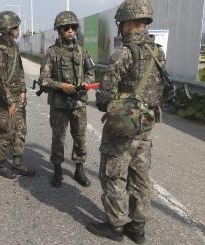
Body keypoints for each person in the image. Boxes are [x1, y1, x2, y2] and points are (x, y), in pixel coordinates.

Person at [86, 0, 167, 243]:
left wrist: (108, 107)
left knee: (113, 174)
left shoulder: (124, 53)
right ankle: (138, 228)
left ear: (130, 23)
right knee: (140, 176)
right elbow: (157, 89)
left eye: (121, 23)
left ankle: (116, 226)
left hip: (122, 127)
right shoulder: (157, 52)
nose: (120, 27)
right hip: (146, 123)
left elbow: (106, 93)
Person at [39, 11, 95, 188]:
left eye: (73, 27)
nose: (70, 30)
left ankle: (79, 170)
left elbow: (90, 73)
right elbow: (43, 80)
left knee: (80, 137)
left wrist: (86, 83)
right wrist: (61, 86)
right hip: (59, 105)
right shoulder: (52, 53)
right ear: (59, 30)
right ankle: (57, 170)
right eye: (66, 28)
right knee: (58, 138)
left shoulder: (82, 51)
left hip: (79, 103)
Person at [0, 11, 36, 179]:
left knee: (20, 130)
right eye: (15, 26)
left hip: (17, 96)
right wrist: (9, 101)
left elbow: (19, 70)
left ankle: (17, 162)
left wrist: (23, 90)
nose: (18, 29)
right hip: (5, 99)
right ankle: (0, 164)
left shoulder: (13, 46)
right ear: (6, 28)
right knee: (6, 131)